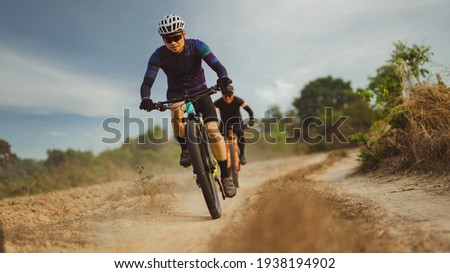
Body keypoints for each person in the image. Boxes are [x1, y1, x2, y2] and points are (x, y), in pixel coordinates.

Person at [139, 14, 236, 198]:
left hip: (201, 90)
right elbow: (147, 81)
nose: (173, 42)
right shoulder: (158, 55)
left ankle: (225, 176)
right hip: (177, 93)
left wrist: (223, 77)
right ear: (163, 39)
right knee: (176, 113)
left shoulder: (197, 46)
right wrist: (146, 98)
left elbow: (217, 65)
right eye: (169, 39)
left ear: (184, 34)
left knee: (213, 131)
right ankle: (186, 149)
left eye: (177, 37)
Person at [214, 85, 254, 165]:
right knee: (219, 139)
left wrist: (251, 121)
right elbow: (210, 110)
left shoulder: (238, 100)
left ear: (233, 93)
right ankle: (222, 159)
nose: (228, 98)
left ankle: (242, 155)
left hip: (237, 122)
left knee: (240, 133)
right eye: (225, 95)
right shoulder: (218, 102)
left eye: (230, 95)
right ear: (222, 94)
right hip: (224, 123)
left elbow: (250, 111)